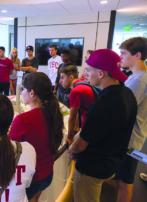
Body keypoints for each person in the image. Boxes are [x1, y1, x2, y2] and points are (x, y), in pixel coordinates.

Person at [69, 49, 137, 202]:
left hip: (91, 169)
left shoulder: (103, 104)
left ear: (101, 73)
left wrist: (72, 148)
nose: (85, 74)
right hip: (111, 164)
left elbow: (80, 145)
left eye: (87, 70)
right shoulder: (127, 93)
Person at [9, 72, 64, 202]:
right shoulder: (53, 113)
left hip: (32, 178)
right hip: (48, 174)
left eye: (23, 89)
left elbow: (9, 150)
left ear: (32, 93)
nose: (22, 93)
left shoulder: (22, 120)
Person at [114, 37, 147, 202]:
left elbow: (122, 111)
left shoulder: (139, 80)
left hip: (130, 141)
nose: (121, 57)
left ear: (137, 55)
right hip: (133, 139)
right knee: (123, 180)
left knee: (124, 182)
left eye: (124, 53)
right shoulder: (137, 77)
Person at [59, 65, 96, 146]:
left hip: (90, 126)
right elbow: (78, 111)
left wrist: (69, 137)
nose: (60, 81)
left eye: (62, 78)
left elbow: (72, 117)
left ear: (71, 77)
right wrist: (76, 128)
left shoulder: (75, 91)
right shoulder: (82, 83)